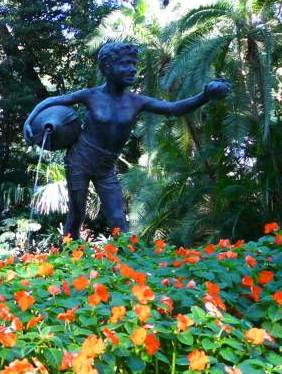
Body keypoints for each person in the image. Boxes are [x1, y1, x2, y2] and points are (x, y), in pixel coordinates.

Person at [24, 42, 230, 241]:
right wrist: (30, 121)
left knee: (118, 219)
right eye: (125, 64)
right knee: (77, 214)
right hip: (80, 160)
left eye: (133, 64)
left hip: (106, 167)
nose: (132, 69)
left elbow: (173, 108)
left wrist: (204, 96)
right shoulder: (91, 96)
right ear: (107, 67)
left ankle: (127, 267)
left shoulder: (136, 102)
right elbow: (53, 101)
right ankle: (68, 259)